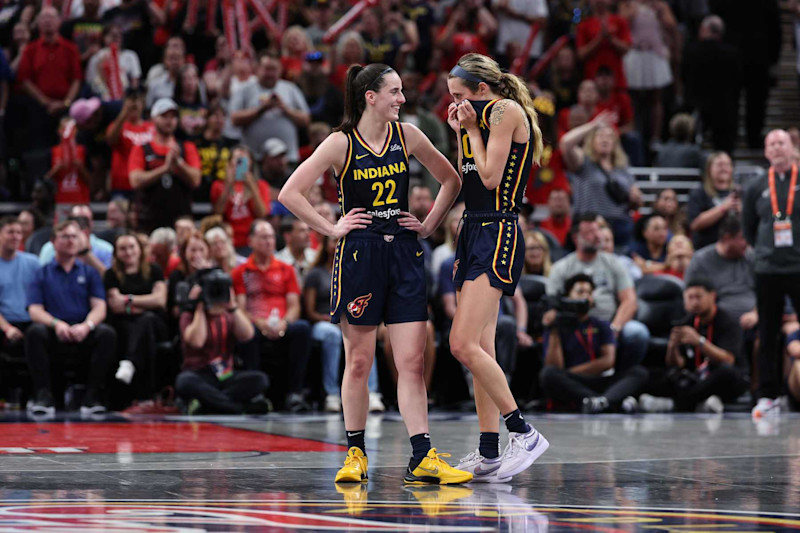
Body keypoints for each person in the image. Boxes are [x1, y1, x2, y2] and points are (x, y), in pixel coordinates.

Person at [278, 63, 466, 484]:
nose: (402, 99)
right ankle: (356, 453)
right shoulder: (340, 143)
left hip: (402, 251)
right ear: (371, 97)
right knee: (359, 361)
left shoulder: (409, 135)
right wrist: (331, 228)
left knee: (411, 363)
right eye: (395, 92)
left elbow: (451, 181)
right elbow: (289, 192)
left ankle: (422, 456)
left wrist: (430, 224)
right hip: (359, 255)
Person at [443, 53, 549, 483]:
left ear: (482, 90)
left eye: (459, 96)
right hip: (472, 230)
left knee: (461, 343)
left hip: (498, 231)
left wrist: (469, 128)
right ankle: (489, 453)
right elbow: (469, 177)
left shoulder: (505, 110)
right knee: (479, 349)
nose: (454, 104)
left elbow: (489, 179)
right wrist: (461, 132)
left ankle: (522, 431)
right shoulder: (476, 119)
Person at [25, 220, 116, 416]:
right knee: (34, 332)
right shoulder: (41, 273)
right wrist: (56, 324)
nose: (70, 241)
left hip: (82, 332)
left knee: (106, 333)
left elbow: (100, 307)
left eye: (74, 236)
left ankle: (92, 396)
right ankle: (43, 395)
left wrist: (87, 326)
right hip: (54, 331)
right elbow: (34, 310)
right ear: (53, 242)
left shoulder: (90, 273)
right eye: (65, 236)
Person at [743, 129, 800, 417]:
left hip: (798, 266)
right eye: (771, 144)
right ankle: (768, 395)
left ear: (792, 148)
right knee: (767, 333)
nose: (777, 148)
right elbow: (748, 229)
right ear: (766, 152)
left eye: (782, 143)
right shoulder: (754, 186)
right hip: (767, 269)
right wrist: (765, 252)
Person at [548, 214, 650, 369]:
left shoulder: (614, 263)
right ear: (576, 238)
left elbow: (629, 300)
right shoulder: (560, 268)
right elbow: (552, 305)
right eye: (590, 232)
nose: (597, 236)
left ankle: (620, 378)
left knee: (637, 332)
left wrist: (614, 328)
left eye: (598, 231)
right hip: (574, 326)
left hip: (610, 324)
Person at [232, 221, 313, 413]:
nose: (268, 241)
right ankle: (256, 393)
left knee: (302, 328)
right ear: (250, 240)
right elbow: (241, 308)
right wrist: (258, 323)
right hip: (256, 323)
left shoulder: (286, 269)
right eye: (263, 237)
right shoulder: (241, 272)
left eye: (270, 236)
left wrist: (284, 323)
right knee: (247, 333)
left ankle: (295, 393)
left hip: (282, 323)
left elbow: (294, 305)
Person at [541, 273, 647, 413]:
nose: (585, 296)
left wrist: (568, 373)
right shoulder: (557, 326)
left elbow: (608, 361)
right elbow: (555, 366)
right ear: (567, 296)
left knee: (639, 372)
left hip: (598, 379)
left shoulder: (601, 325)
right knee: (548, 374)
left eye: (589, 292)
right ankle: (608, 401)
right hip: (572, 383)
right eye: (580, 292)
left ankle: (599, 401)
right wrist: (554, 330)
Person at [639, 277, 747, 413]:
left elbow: (728, 360)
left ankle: (676, 404)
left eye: (698, 297)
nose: (694, 302)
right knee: (651, 374)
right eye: (690, 297)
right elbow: (677, 364)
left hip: (722, 377)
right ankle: (699, 403)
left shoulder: (728, 321)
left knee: (726, 373)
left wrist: (700, 341)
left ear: (712, 296)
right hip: (696, 378)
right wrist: (672, 347)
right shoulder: (687, 321)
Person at [304, 235, 384, 413]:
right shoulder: (316, 273)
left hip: (350, 320)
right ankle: (331, 394)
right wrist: (332, 320)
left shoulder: (357, 270)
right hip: (323, 322)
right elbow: (310, 312)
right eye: (334, 241)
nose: (339, 245)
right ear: (325, 246)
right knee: (332, 335)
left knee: (366, 335)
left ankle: (372, 393)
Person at [176, 268, 271, 415]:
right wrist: (200, 307)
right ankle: (238, 408)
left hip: (225, 374)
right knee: (184, 382)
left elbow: (248, 335)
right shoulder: (189, 315)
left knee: (260, 379)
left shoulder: (228, 314)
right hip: (199, 374)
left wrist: (233, 306)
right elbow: (197, 342)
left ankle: (209, 404)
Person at [560, 110, 642, 250]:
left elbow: (637, 201)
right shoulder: (584, 163)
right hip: (590, 224)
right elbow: (565, 143)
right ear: (592, 141)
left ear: (615, 143)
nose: (605, 139)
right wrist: (593, 125)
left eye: (609, 137)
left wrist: (636, 199)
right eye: (600, 136)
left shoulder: (623, 168)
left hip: (620, 227)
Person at [104, 232, 167, 407]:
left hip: (155, 324)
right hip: (124, 325)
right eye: (123, 249)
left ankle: (130, 362)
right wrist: (145, 302)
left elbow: (160, 300)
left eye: (132, 247)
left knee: (146, 320)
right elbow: (115, 305)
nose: (128, 252)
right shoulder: (111, 275)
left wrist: (128, 300)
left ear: (139, 249)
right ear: (116, 253)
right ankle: (143, 395)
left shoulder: (154, 270)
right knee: (140, 324)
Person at [128, 98, 202, 234]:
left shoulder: (186, 148)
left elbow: (196, 180)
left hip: (180, 221)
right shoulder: (141, 149)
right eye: (164, 116)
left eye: (173, 116)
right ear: (153, 118)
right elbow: (135, 180)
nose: (169, 120)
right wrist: (165, 169)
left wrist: (179, 163)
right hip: (149, 220)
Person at [17, 6, 82, 150]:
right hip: (40, 108)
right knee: (40, 148)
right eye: (43, 18)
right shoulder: (31, 49)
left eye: (51, 17)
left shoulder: (70, 48)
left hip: (66, 108)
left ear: (59, 22)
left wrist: (66, 103)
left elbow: (77, 79)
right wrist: (46, 103)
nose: (47, 21)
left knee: (68, 145)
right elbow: (25, 81)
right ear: (38, 23)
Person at [230, 54, 310, 163]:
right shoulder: (245, 89)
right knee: (244, 179)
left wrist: (285, 109)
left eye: (274, 70)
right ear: (257, 69)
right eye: (267, 69)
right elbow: (234, 119)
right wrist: (261, 109)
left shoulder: (290, 88)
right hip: (252, 160)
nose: (270, 74)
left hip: (288, 159)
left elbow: (306, 119)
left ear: (280, 70)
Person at [681, 15, 741, 154]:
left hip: (696, 105)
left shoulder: (691, 51)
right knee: (723, 148)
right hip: (724, 107)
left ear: (704, 30)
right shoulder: (732, 53)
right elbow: (737, 81)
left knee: (690, 145)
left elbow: (683, 76)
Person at [685, 215, 755, 325]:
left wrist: (757, 313)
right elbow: (691, 299)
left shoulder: (751, 257)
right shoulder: (700, 261)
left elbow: (766, 292)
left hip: (755, 319)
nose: (747, 243)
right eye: (743, 238)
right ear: (727, 238)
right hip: (718, 323)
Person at [210, 145, 269, 253]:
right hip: (228, 239)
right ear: (229, 163)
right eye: (237, 159)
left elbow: (262, 213)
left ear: (251, 163)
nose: (240, 163)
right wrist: (228, 186)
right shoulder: (218, 185)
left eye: (244, 159)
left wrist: (252, 188)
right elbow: (217, 212)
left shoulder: (261, 185)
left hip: (252, 240)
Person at [0, 217, 39, 359]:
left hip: (31, 322)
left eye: (18, 232)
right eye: (10, 232)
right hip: (4, 321)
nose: (15, 236)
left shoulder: (33, 262)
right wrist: (7, 328)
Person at [106, 87, 153, 197]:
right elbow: (110, 140)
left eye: (138, 101)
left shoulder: (151, 127)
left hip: (146, 184)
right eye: (131, 100)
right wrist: (124, 113)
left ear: (143, 104)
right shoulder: (117, 126)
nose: (134, 104)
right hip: (121, 185)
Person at [688, 151, 739, 250]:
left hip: (734, 250)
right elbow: (694, 224)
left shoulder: (740, 192)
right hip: (706, 249)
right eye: (719, 165)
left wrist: (742, 211)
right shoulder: (699, 193)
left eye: (727, 165)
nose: (724, 168)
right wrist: (723, 208)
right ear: (709, 169)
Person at [275, 217, 315, 284]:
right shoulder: (278, 261)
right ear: (287, 236)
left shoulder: (316, 258)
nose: (308, 234)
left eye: (308, 230)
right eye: (302, 231)